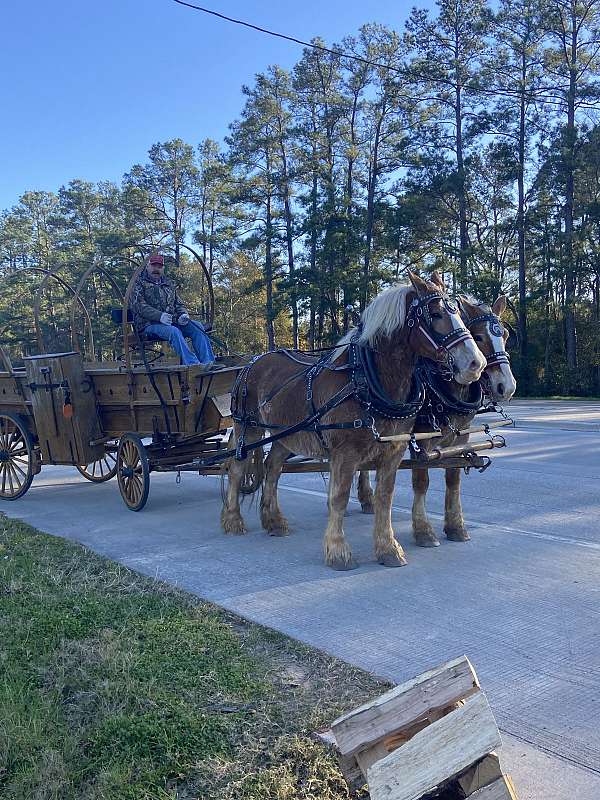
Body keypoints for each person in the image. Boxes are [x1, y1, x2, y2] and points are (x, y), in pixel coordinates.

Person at [130, 253, 215, 366]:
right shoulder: (137, 283)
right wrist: (159, 316)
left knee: (197, 326)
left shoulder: (168, 284)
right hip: (148, 325)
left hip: (171, 322)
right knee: (174, 332)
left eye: (159, 266)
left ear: (163, 268)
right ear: (147, 266)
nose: (156, 269)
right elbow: (138, 306)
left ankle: (208, 363)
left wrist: (183, 315)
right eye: (154, 266)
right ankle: (193, 365)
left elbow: (178, 303)